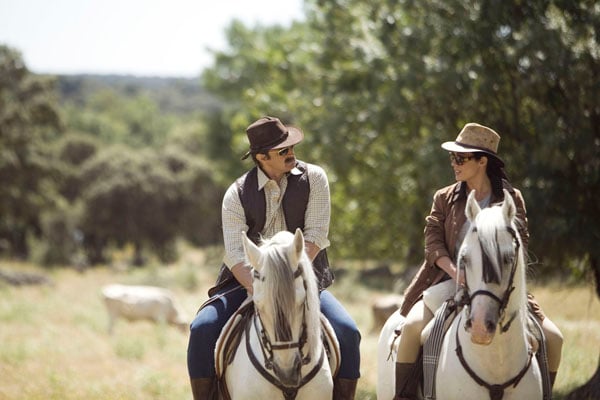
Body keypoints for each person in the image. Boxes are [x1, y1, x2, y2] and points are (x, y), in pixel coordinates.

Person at [187, 116, 361, 400]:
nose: (291, 153)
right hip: (248, 282)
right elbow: (234, 253)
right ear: (261, 157)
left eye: (291, 146)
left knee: (348, 331)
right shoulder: (236, 194)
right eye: (283, 150)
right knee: (201, 329)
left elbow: (316, 235)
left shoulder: (315, 178)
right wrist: (263, 289)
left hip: (303, 280)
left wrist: (287, 278)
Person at [393, 123, 564, 400]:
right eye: (452, 158)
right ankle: (404, 396)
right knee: (412, 329)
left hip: (500, 286)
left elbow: (520, 244)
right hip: (450, 281)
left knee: (554, 339)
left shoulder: (512, 200)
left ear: (482, 161)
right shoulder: (444, 198)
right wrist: (456, 271)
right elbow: (433, 242)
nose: (454, 164)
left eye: (461, 158)